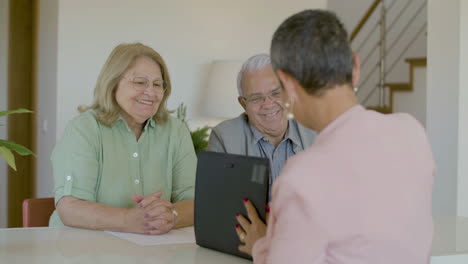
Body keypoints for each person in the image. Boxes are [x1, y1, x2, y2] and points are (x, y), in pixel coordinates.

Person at [235, 10, 435, 263]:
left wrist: (262, 246)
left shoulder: (302, 175)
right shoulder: (412, 131)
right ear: (356, 66)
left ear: (287, 84)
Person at [49, 43, 196, 235]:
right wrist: (127, 219)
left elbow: (196, 201)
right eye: (140, 82)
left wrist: (172, 216)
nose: (151, 92)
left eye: (157, 84)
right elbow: (70, 208)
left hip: (154, 249)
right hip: (81, 247)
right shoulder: (84, 129)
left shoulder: (175, 131)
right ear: (113, 82)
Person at [207, 54, 315, 188]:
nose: (268, 104)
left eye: (276, 93)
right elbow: (216, 200)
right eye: (256, 98)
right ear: (243, 104)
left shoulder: (316, 132)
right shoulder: (224, 137)